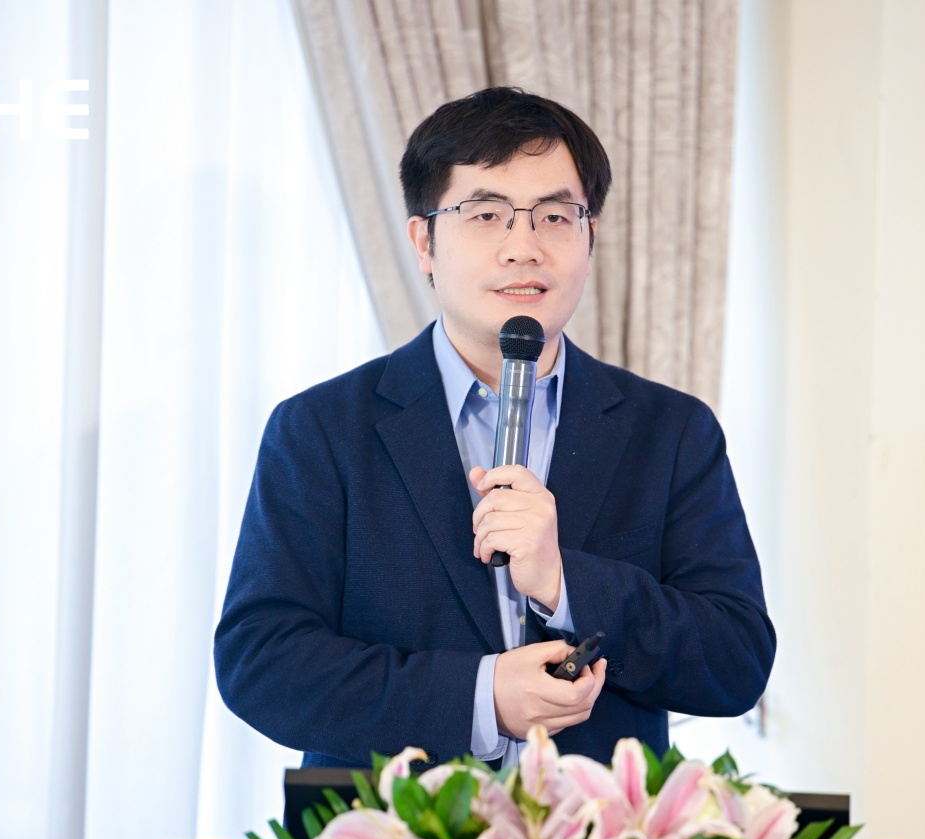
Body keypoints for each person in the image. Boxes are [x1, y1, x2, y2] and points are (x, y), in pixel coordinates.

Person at [214, 87, 774, 770]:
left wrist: (565, 581)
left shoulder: (671, 432)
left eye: (556, 217)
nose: (523, 247)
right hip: (387, 834)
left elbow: (736, 661)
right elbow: (262, 662)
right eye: (485, 215)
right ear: (424, 242)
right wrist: (481, 697)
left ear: (590, 240)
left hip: (595, 836)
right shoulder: (321, 429)